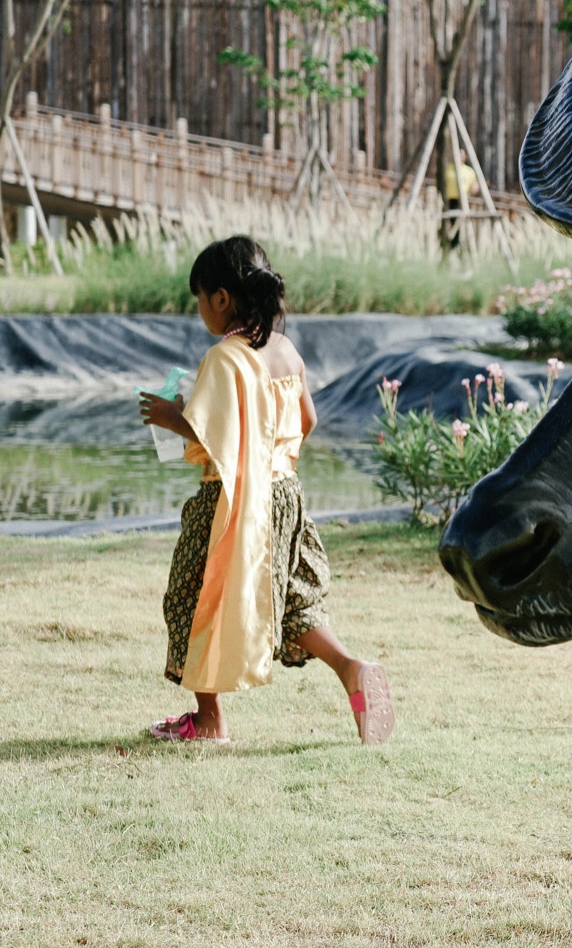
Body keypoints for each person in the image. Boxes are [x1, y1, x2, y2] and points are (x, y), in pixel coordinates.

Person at [138, 236, 394, 745]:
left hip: (231, 501)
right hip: (285, 495)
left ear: (222, 299)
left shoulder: (225, 358)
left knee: (190, 597)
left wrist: (173, 417)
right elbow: (308, 420)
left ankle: (208, 720)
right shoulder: (286, 352)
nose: (200, 311)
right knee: (291, 599)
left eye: (200, 298)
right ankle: (351, 669)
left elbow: (216, 434)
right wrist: (274, 460)